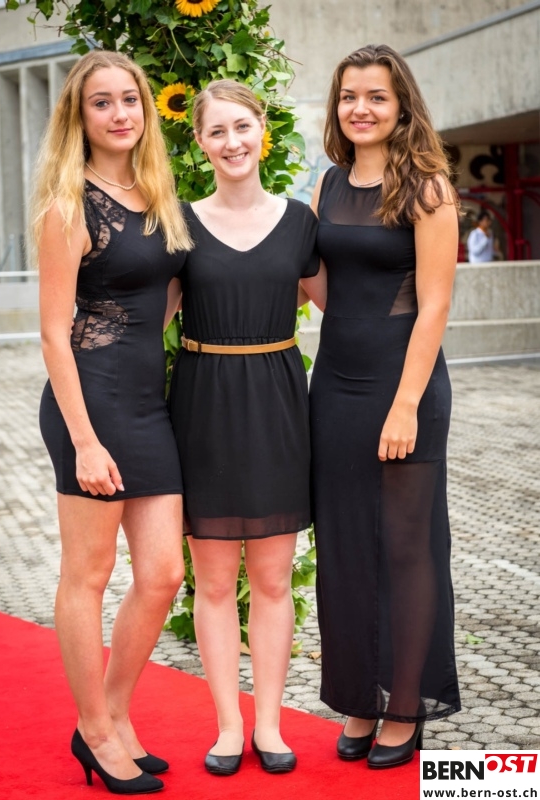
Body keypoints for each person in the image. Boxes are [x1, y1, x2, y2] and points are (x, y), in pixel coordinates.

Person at [35, 50, 192, 794]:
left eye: (130, 99)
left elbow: (162, 297)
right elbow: (51, 333)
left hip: (146, 401)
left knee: (162, 574)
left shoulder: (157, 193)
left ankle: (114, 714)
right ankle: (95, 731)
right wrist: (85, 441)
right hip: (89, 404)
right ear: (80, 115)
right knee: (88, 574)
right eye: (102, 102)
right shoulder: (69, 204)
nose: (120, 113)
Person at [304, 43, 461, 769]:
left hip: (407, 386)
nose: (359, 108)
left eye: (375, 96)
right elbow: (324, 289)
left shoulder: (426, 186)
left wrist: (404, 407)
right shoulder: (327, 184)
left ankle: (404, 706)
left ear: (401, 107)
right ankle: (360, 698)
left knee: (405, 549)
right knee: (343, 547)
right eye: (348, 96)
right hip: (335, 384)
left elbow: (434, 307)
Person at [166, 79, 319, 776]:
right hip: (203, 406)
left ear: (263, 129)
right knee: (214, 582)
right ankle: (228, 725)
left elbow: (346, 305)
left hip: (279, 406)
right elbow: (147, 316)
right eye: (217, 131)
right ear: (200, 143)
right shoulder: (178, 224)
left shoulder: (300, 222)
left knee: (274, 579)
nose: (232, 142)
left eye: (242, 126)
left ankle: (270, 725)